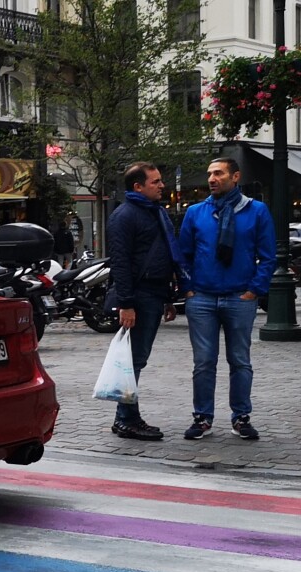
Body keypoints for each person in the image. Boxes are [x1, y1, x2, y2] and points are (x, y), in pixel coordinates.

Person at [177, 157, 275, 441]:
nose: (211, 179)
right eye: (209, 174)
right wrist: (188, 288)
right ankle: (202, 418)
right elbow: (184, 254)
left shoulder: (256, 211)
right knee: (204, 362)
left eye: (218, 173)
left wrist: (254, 290)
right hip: (202, 298)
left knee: (240, 361)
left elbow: (268, 256)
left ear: (235, 177)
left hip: (239, 297)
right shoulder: (196, 212)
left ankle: (241, 417)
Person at [105, 162, 184, 441]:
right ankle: (127, 419)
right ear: (138, 186)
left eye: (161, 180)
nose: (162, 186)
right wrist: (126, 303)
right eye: (155, 182)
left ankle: (124, 417)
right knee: (133, 361)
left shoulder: (154, 213)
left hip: (153, 294)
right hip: (138, 296)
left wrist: (168, 298)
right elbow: (121, 263)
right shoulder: (124, 216)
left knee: (136, 359)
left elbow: (163, 256)